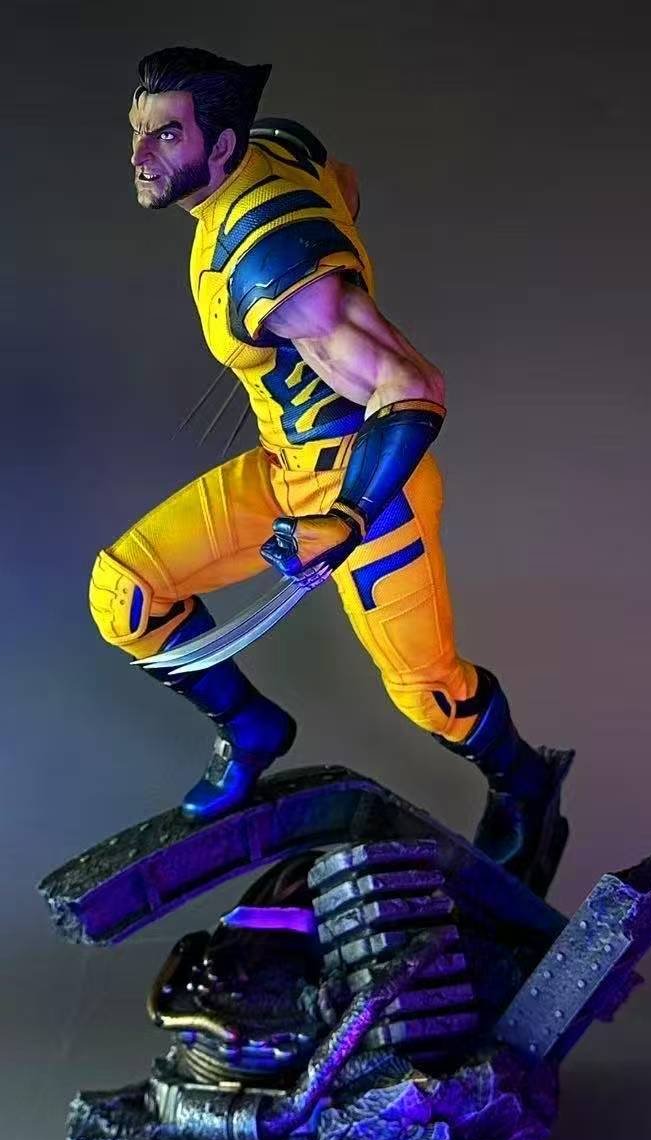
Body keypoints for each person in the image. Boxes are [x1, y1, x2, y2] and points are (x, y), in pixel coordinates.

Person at [88, 46, 571, 875]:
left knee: (428, 692)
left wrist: (345, 517)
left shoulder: (273, 268)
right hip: (284, 466)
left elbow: (411, 388)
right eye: (138, 130)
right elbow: (336, 179)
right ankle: (252, 728)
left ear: (223, 146)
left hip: (368, 490)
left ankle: (528, 785)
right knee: (125, 594)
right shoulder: (276, 145)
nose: (138, 154)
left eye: (166, 136)